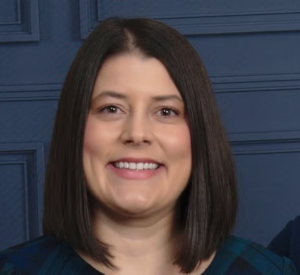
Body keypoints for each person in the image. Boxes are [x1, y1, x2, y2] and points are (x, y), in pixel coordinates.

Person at [0, 17, 297, 275]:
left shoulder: (268, 271)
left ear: (199, 137)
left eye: (166, 112)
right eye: (111, 109)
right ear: (75, 130)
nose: (137, 133)